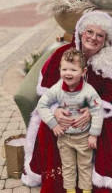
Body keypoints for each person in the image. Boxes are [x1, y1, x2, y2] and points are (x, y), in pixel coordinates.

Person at [22, 11, 112, 193]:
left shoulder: (107, 61)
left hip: (92, 112)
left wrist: (92, 112)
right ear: (80, 32)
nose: (94, 38)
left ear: (106, 40)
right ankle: (60, 183)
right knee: (51, 130)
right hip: (62, 111)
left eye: (100, 35)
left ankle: (93, 182)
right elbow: (47, 91)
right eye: (90, 32)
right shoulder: (62, 55)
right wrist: (55, 111)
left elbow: (108, 94)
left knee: (105, 129)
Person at [37, 48, 104, 193]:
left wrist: (94, 134)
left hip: (84, 137)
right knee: (68, 167)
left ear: (83, 71)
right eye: (64, 69)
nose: (68, 73)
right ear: (60, 69)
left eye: (73, 70)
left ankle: (86, 190)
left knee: (85, 166)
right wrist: (53, 124)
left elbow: (98, 110)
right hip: (64, 138)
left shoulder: (89, 91)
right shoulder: (56, 90)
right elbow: (42, 105)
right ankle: (70, 190)